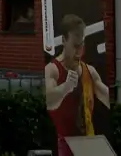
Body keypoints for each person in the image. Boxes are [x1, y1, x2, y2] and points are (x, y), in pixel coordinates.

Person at [45, 14, 110, 156]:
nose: (79, 51)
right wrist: (66, 87)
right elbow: (49, 101)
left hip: (88, 146)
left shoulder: (89, 72)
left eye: (82, 45)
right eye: (75, 46)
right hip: (64, 147)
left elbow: (109, 97)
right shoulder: (52, 69)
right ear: (63, 40)